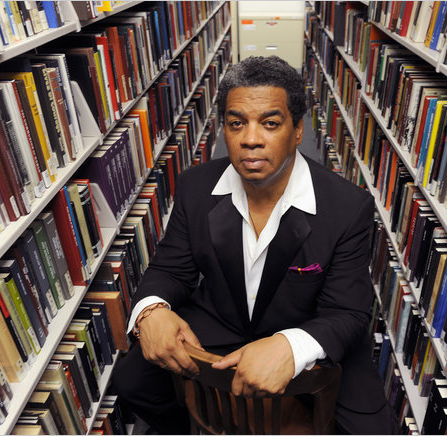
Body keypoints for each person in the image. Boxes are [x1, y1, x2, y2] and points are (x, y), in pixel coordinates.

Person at [112, 55, 398, 434]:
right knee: (131, 382)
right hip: (221, 322)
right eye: (237, 123)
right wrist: (151, 310)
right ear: (224, 129)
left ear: (298, 130)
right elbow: (170, 268)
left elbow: (347, 311)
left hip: (307, 326)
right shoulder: (196, 187)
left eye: (270, 123)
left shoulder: (347, 206)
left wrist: (289, 345)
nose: (250, 139)